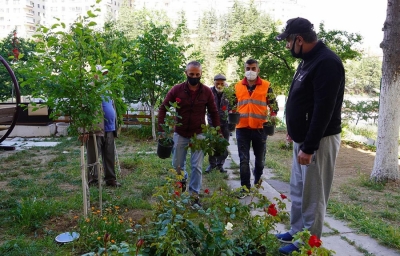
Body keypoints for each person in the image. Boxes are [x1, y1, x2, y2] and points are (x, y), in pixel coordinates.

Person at [275, 17, 345, 255]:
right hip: (302, 139)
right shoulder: (307, 61)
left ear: (299, 39)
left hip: (319, 141)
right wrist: (293, 132)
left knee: (313, 195)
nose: (287, 47)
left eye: (288, 42)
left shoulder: (327, 62)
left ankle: (308, 243)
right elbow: (300, 99)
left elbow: (323, 109)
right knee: (298, 190)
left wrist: (309, 146)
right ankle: (296, 232)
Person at [158, 61, 220, 205]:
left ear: (201, 74)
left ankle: (194, 195)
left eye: (197, 74)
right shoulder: (177, 90)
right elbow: (163, 108)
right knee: (177, 166)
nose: (194, 77)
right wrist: (162, 130)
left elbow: (214, 112)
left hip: (199, 134)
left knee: (197, 166)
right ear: (186, 73)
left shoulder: (206, 92)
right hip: (180, 133)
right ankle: (181, 183)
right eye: (191, 74)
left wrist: (217, 132)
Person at [234, 59, 278, 197]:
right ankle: (245, 187)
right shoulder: (237, 86)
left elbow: (274, 105)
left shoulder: (266, 85)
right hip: (242, 128)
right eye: (248, 68)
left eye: (253, 68)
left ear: (258, 70)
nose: (250, 71)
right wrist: (230, 112)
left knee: (260, 160)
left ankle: (257, 178)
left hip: (260, 129)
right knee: (244, 159)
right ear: (244, 69)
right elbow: (230, 104)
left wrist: (273, 115)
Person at [86, 66, 121, 187]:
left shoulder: (107, 90)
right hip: (95, 129)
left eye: (105, 74)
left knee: (109, 156)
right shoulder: (90, 89)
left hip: (110, 128)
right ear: (94, 75)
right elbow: (83, 111)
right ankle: (93, 181)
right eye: (101, 74)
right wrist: (84, 130)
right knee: (93, 157)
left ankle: (110, 179)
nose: (103, 77)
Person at [205, 74, 230, 174]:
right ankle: (212, 164)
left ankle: (220, 165)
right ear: (213, 82)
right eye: (217, 83)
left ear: (224, 83)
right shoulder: (209, 92)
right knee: (212, 144)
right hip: (212, 122)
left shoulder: (229, 93)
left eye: (221, 83)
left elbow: (234, 106)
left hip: (226, 123)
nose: (219, 85)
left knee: (223, 144)